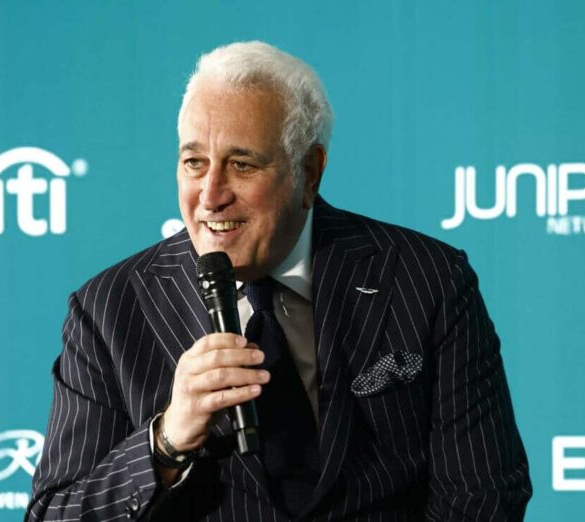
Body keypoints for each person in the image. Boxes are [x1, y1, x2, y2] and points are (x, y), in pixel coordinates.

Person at [26, 41, 532, 521]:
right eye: (194, 163)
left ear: (309, 172)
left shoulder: (427, 279)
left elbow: (483, 494)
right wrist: (166, 441)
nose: (210, 196)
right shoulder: (109, 309)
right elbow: (55, 513)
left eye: (241, 165)